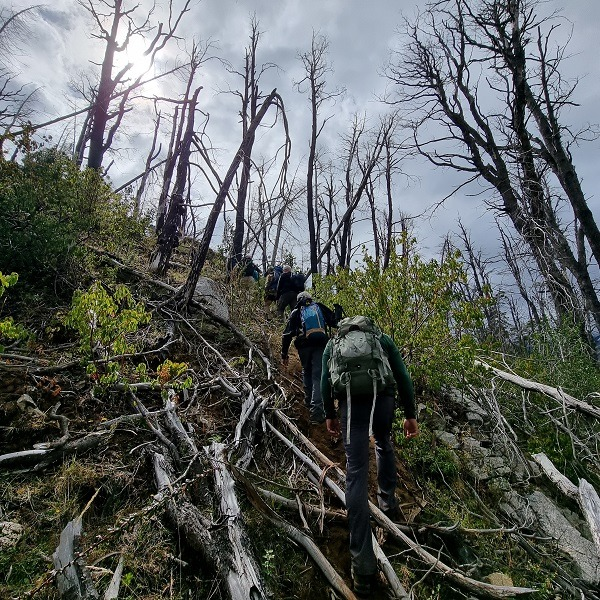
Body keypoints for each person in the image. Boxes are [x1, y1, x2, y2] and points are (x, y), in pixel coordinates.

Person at [320, 316, 418, 598]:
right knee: (384, 442)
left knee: (356, 471)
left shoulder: (334, 343)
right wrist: (410, 415)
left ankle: (362, 565)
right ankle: (387, 502)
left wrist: (329, 414)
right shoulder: (381, 339)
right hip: (383, 398)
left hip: (351, 401)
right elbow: (402, 376)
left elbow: (325, 380)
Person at [281, 291, 337, 424]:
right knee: (318, 375)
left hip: (303, 347)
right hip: (320, 345)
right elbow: (334, 321)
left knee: (307, 371)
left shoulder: (296, 312)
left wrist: (284, 354)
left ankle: (308, 402)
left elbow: (287, 334)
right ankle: (317, 412)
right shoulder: (319, 307)